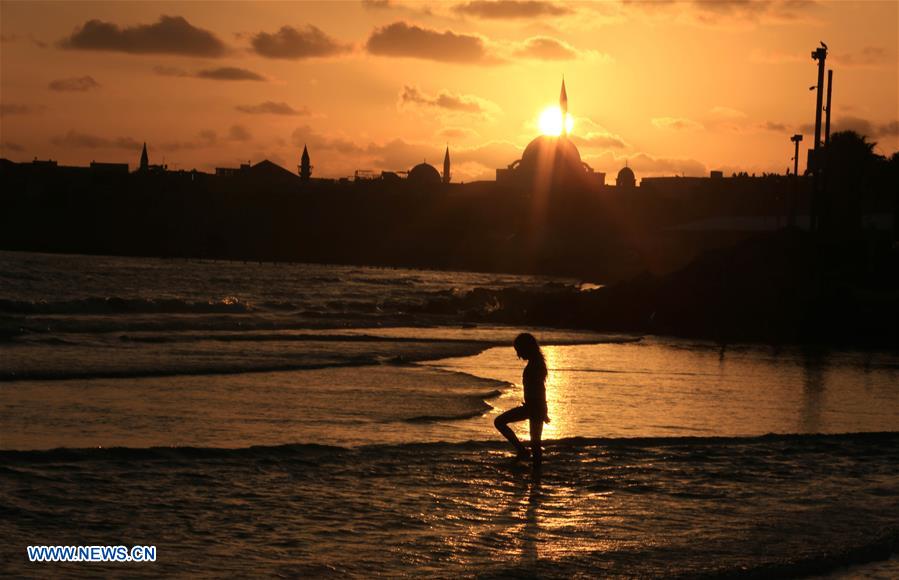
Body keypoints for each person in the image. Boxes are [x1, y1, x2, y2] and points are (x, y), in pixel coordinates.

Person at [494, 333, 549, 468]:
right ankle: (527, 458)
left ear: (526, 348)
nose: (518, 354)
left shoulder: (535, 365)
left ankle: (526, 457)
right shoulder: (536, 363)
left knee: (535, 444)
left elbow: (540, 390)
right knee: (535, 443)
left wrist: (542, 411)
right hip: (533, 407)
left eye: (518, 350)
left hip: (534, 407)